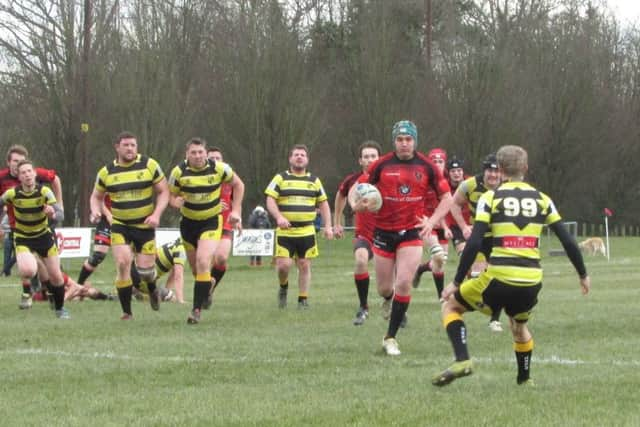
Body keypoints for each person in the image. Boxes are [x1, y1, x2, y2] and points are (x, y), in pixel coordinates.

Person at [432, 145, 590, 387]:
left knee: (451, 307)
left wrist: (455, 282)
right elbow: (568, 240)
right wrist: (582, 274)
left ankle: (462, 360)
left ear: (501, 170)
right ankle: (524, 380)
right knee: (519, 327)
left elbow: (474, 242)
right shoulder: (543, 199)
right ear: (525, 169)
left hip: (498, 277)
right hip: (531, 281)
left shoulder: (490, 197)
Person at [362, 120, 452, 355]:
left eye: (408, 139)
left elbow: (447, 198)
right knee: (384, 288)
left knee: (403, 282)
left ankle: (390, 337)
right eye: (400, 139)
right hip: (383, 232)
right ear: (394, 141)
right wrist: (358, 203)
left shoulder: (428, 166)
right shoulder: (380, 165)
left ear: (415, 141)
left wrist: (431, 222)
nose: (404, 143)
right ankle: (388, 299)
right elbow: (359, 192)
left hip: (412, 232)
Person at [89, 131, 169, 320]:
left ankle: (152, 289)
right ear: (117, 147)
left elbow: (164, 191)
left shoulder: (149, 165)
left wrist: (156, 214)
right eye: (126, 145)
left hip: (145, 226)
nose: (130, 148)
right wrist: (94, 210)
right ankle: (127, 313)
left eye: (133, 145)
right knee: (123, 263)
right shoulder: (106, 172)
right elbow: (96, 196)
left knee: (146, 272)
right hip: (120, 225)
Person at [169, 138, 244, 324]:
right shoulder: (178, 172)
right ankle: (206, 291)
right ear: (187, 154)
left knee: (204, 261)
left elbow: (239, 185)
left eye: (200, 152)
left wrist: (235, 210)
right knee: (196, 270)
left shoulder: (219, 168)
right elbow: (170, 194)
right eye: (193, 152)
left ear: (205, 152)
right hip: (188, 224)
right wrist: (174, 202)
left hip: (211, 221)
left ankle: (196, 310)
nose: (197, 156)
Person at [265, 144, 333, 309]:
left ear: (307, 160)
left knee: (304, 264)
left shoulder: (314, 181)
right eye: (296, 154)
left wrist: (328, 226)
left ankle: (303, 300)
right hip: (285, 231)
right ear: (290, 159)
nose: (299, 157)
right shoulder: (280, 178)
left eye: (302, 155)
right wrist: (279, 217)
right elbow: (270, 199)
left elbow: (323, 204)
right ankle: (283, 287)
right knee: (284, 266)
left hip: (307, 230)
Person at [0, 160, 69, 318]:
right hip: (23, 237)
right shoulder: (12, 193)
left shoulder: (45, 192)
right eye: (23, 172)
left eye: (29, 171)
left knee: (57, 277)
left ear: (35, 174)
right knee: (28, 270)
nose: (27, 175)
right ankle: (33, 282)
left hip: (44, 237)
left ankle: (60, 309)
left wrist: (52, 213)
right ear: (19, 176)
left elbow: (60, 215)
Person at [449, 153, 504, 332]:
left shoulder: (507, 187)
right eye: (490, 170)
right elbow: (454, 204)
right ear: (484, 171)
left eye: (497, 171)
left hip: (499, 238)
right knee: (478, 273)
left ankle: (495, 319)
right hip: (478, 236)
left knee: (500, 278)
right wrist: (464, 226)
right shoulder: (469, 185)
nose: (493, 175)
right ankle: (462, 304)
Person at [333, 140, 381, 325]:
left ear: (380, 158)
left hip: (386, 234)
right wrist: (337, 222)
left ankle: (394, 305)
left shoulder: (388, 176)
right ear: (360, 160)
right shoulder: (354, 180)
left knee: (388, 282)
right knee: (360, 260)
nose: (369, 160)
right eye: (366, 157)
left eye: (373, 156)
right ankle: (363, 307)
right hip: (365, 234)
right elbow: (340, 196)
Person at [412, 148, 450, 301]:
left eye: (440, 162)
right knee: (438, 255)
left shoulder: (446, 181)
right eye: (434, 161)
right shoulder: (423, 180)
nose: (437, 164)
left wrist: (447, 227)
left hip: (441, 225)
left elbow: (448, 206)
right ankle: (442, 296)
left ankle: (421, 269)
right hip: (426, 223)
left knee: (440, 262)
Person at [203, 147, 236, 309]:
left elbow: (237, 195)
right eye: (212, 158)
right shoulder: (201, 176)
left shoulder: (229, 176)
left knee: (221, 258)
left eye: (218, 157)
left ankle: (209, 289)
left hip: (225, 223)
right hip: (206, 223)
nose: (215, 160)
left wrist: (237, 214)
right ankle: (204, 290)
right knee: (204, 262)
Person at [131, 238, 187, 304]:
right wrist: (180, 300)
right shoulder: (181, 250)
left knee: (167, 295)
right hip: (141, 278)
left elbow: (174, 273)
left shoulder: (177, 243)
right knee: (172, 298)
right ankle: (142, 295)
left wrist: (167, 290)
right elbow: (178, 276)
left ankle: (133, 290)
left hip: (134, 273)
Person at [76, 196, 112, 286]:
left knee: (128, 258)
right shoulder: (102, 181)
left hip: (127, 219)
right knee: (97, 257)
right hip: (106, 220)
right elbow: (98, 197)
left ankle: (136, 289)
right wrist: (106, 214)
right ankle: (78, 286)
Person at [1, 210, 16, 276]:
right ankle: (7, 273)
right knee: (7, 256)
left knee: (17, 256)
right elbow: (3, 224)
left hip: (17, 238)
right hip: (8, 238)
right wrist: (12, 228)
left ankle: (4, 270)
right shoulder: (8, 215)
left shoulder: (21, 216)